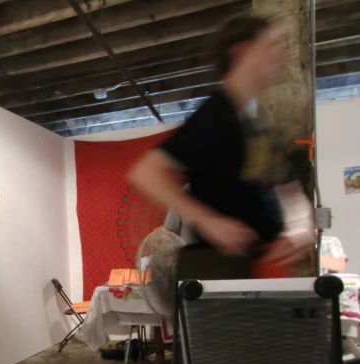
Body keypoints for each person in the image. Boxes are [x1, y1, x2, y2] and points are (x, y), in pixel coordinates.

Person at [128, 14, 313, 271]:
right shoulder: (217, 113)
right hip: (219, 271)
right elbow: (146, 172)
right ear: (242, 52)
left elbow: (285, 184)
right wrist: (208, 222)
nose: (279, 57)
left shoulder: (256, 122)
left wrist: (299, 225)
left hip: (253, 267)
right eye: (270, 47)